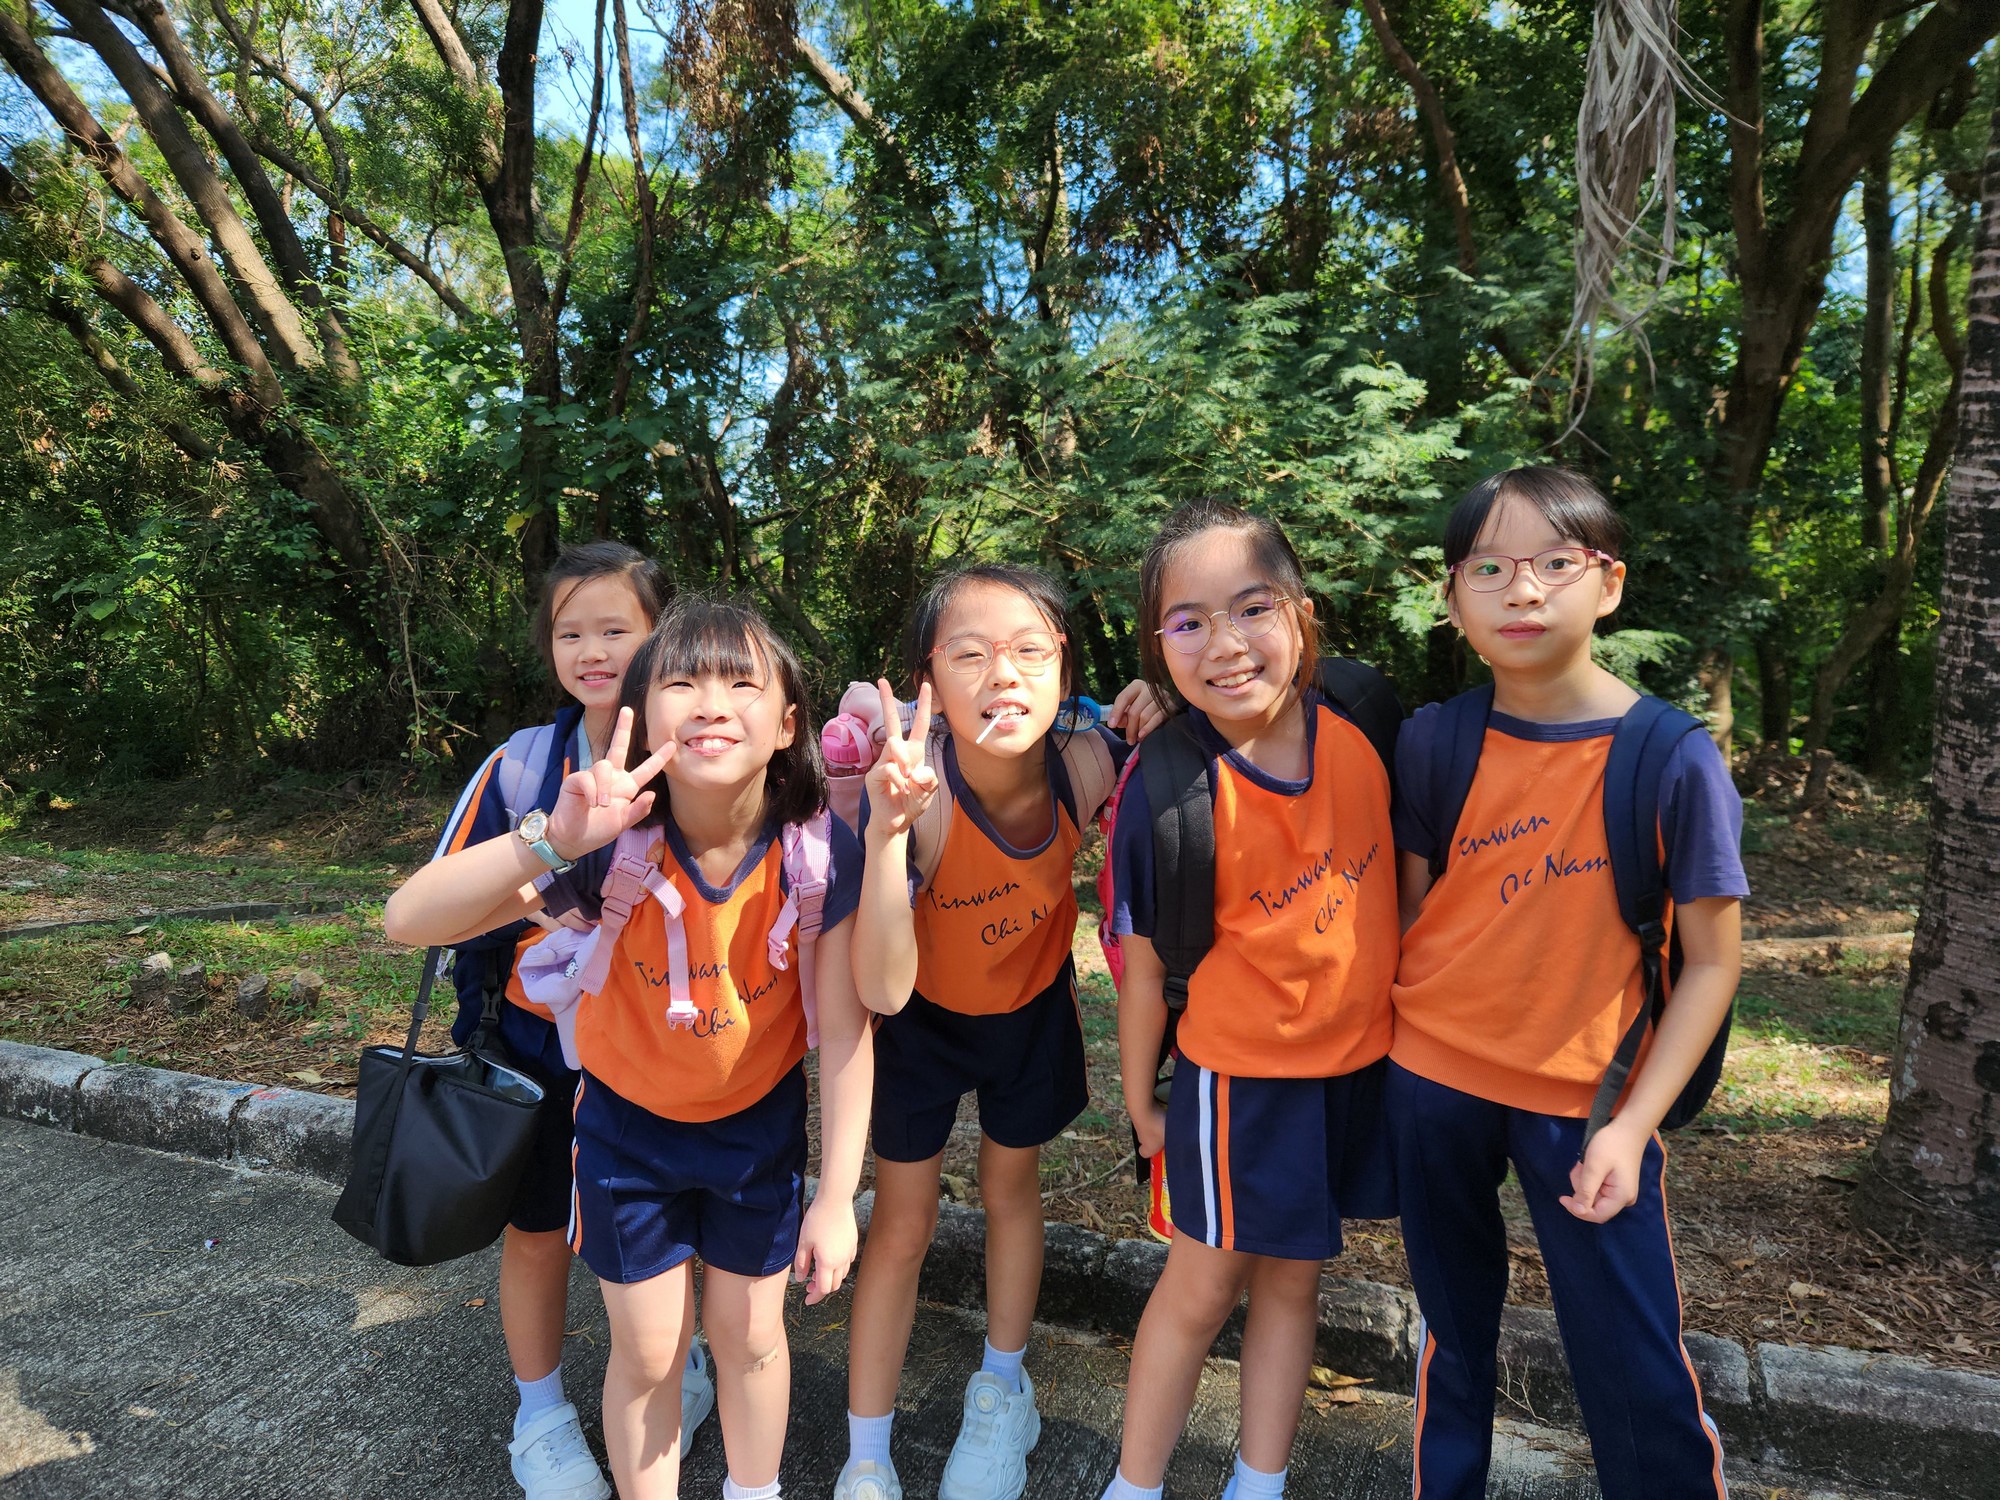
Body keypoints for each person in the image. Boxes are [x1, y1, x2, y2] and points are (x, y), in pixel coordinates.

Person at [386, 597, 873, 1500]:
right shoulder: (609, 846)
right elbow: (408, 919)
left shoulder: (816, 853)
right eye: (681, 682)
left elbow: (845, 1032)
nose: (711, 703)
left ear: (787, 723)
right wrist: (552, 839)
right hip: (624, 1134)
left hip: (757, 1134)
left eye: (742, 683)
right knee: (648, 1353)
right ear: (642, 716)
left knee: (751, 1340)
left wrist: (838, 1196)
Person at [1387, 466, 1745, 1499]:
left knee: (1632, 1358)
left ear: (1609, 583)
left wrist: (1632, 1127)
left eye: (1555, 562)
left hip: (1587, 1106)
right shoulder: (1433, 740)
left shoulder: (1671, 758)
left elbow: (1711, 962)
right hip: (1432, 1086)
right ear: (1453, 600)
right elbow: (1413, 918)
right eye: (1488, 569)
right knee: (1451, 1334)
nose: (1523, 591)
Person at [837, 564, 1161, 1500]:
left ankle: (1003, 1389)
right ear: (928, 683)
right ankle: (866, 1453)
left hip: (1030, 1013)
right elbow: (879, 987)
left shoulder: (1090, 761)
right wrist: (888, 833)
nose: (1003, 675)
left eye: (1028, 651)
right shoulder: (915, 790)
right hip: (919, 1021)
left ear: (1064, 666)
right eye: (970, 655)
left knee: (1011, 1191)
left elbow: (1210, 727)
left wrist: (1161, 702)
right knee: (901, 1222)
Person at [1098, 500, 1401, 1500]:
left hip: (1351, 1072)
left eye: (1251, 608)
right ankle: (1135, 1485)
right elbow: (1144, 969)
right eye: (1188, 622)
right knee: (1201, 1287)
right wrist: (1140, 1100)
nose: (1225, 644)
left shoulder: (1367, 722)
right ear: (1159, 648)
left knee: (1292, 1283)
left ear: (1302, 616)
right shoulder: (1167, 791)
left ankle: (1258, 1484)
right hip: (1235, 1084)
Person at [422, 541, 713, 1500]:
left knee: (678, 1224)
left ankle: (684, 1358)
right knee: (540, 1227)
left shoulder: (710, 753)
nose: (592, 652)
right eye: (569, 632)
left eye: (616, 629)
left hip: (666, 1042)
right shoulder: (520, 765)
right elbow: (437, 906)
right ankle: (540, 1412)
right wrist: (544, 884)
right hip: (539, 1043)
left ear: (662, 634)